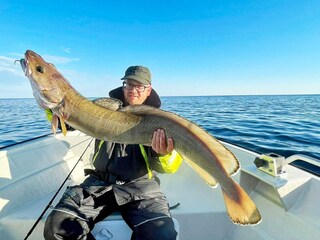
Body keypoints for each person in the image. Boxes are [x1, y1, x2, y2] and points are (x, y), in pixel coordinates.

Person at [44, 66, 183, 240]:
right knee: (57, 227)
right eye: (128, 84)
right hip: (99, 184)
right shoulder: (102, 109)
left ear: (148, 90)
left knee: (162, 234)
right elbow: (69, 121)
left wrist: (163, 154)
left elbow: (169, 168)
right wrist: (52, 107)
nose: (132, 90)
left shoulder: (159, 121)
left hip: (141, 188)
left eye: (139, 86)